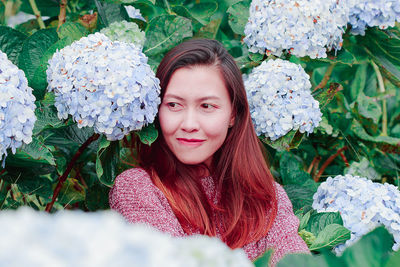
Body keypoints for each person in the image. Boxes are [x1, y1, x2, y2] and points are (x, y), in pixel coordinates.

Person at [109, 39, 309, 266]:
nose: (189, 124)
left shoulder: (267, 197)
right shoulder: (137, 189)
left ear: (233, 114)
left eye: (207, 106)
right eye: (174, 104)